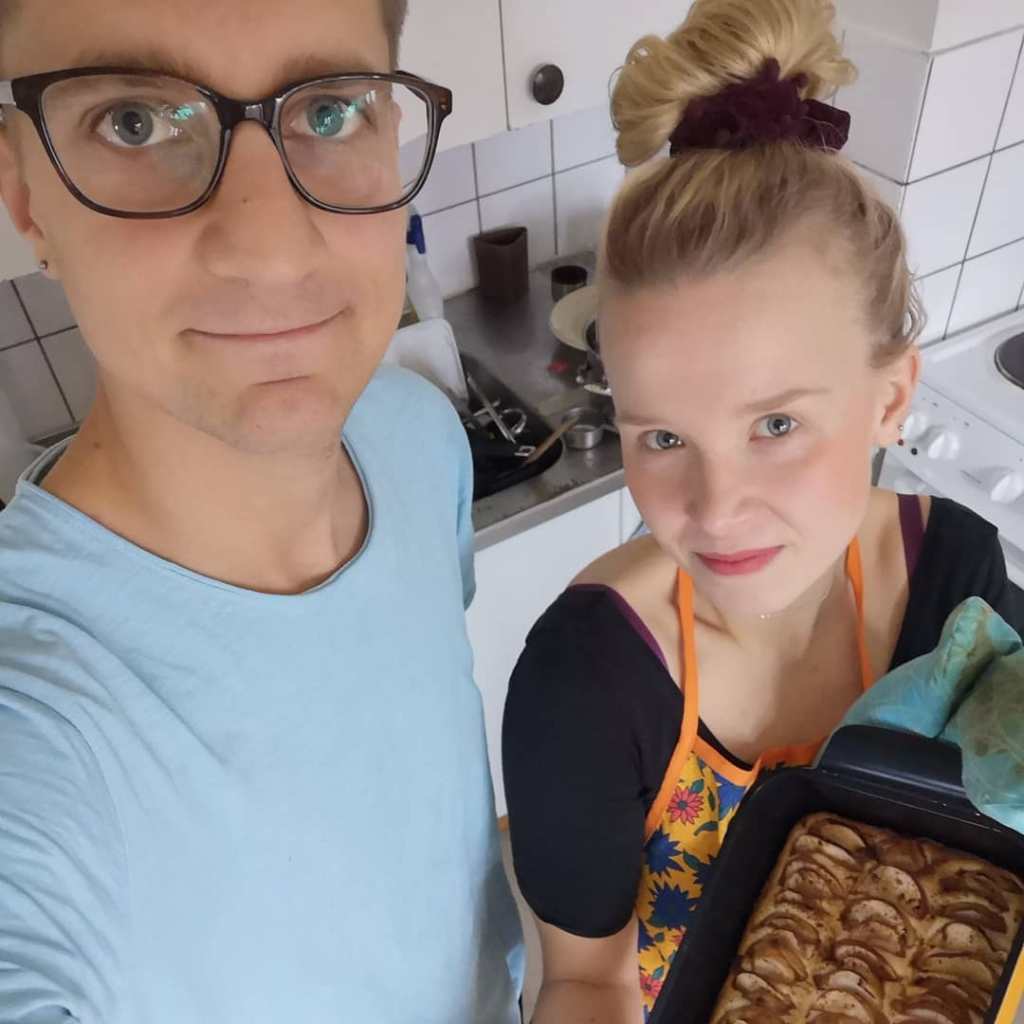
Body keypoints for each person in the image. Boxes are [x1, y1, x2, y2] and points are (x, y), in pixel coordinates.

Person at [0, 1, 524, 1021]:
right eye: (136, 122)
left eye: (330, 112)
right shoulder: (38, 716)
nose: (271, 250)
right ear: (25, 195)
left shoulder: (417, 439)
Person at [502, 1, 1021, 1020]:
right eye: (662, 437)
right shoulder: (589, 678)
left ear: (889, 399)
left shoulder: (954, 582)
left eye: (775, 424)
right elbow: (586, 978)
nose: (715, 508)